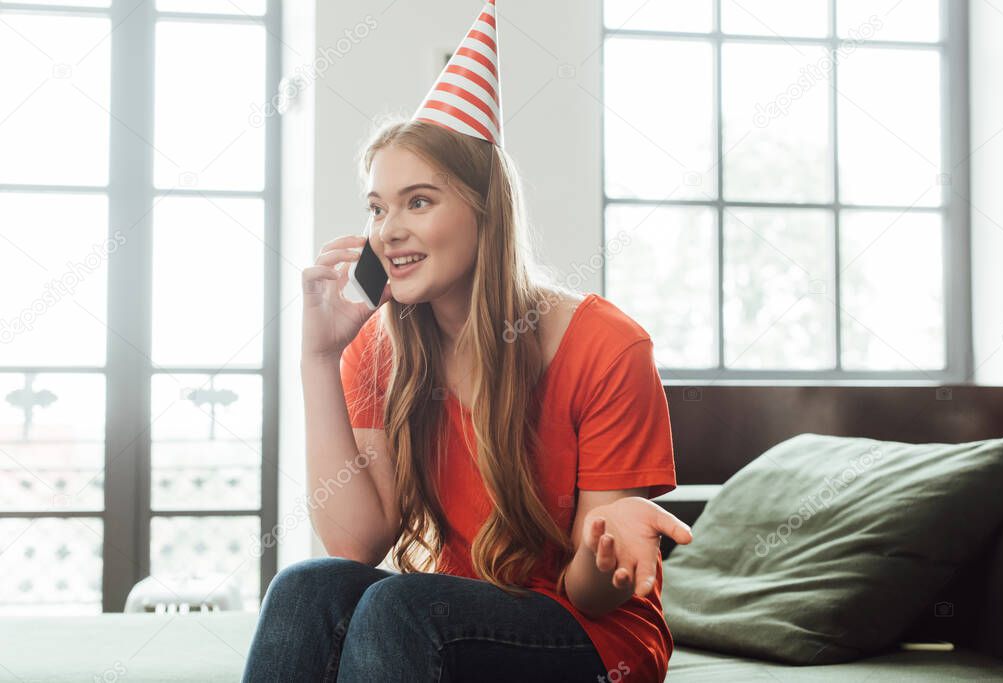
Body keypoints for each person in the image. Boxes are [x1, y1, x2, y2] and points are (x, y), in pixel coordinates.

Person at [240, 2, 692, 681]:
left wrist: (603, 550)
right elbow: (357, 542)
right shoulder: (379, 349)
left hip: (592, 637)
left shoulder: (606, 347)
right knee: (308, 587)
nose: (388, 228)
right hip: (449, 613)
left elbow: (588, 593)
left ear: (486, 212)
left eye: (418, 201)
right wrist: (318, 357)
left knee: (400, 607)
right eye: (378, 206)